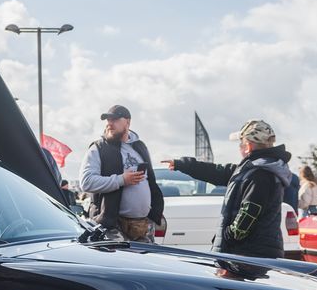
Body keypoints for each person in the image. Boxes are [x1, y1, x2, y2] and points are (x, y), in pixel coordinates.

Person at [162, 119, 292, 258]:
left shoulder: (260, 174)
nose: (239, 147)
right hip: (250, 251)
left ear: (248, 146)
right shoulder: (251, 169)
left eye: (240, 143)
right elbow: (217, 172)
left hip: (247, 255)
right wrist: (183, 164)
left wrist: (228, 238)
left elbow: (249, 213)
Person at [78, 104, 164, 242]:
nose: (110, 123)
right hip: (112, 226)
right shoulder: (98, 148)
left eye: (115, 119)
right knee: (120, 263)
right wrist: (122, 180)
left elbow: (150, 181)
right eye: (108, 120)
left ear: (128, 121)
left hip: (143, 226)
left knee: (145, 263)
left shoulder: (140, 146)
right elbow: (86, 182)